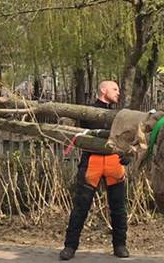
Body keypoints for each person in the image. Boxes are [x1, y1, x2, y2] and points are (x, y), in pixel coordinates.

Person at [60, 81, 129, 260]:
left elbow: (127, 137)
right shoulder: (87, 113)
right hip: (92, 162)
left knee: (119, 208)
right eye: (115, 89)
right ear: (103, 90)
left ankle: (120, 245)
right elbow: (73, 130)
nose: (118, 93)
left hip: (114, 162)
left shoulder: (119, 115)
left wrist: (127, 153)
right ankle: (70, 246)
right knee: (80, 208)